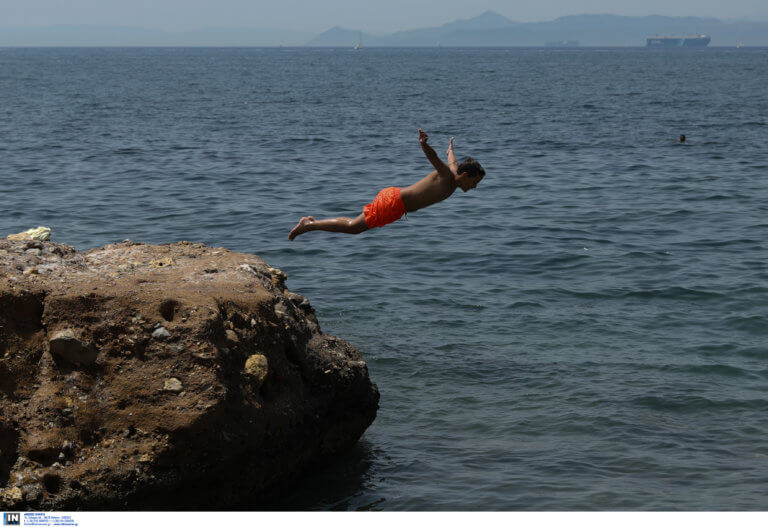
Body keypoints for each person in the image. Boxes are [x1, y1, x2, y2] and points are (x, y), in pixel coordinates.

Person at [289, 129, 485, 240]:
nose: (474, 187)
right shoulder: (447, 178)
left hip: (395, 201)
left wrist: (450, 148)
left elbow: (452, 160)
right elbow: (434, 158)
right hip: (394, 203)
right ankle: (309, 225)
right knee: (353, 227)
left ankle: (311, 224)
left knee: (355, 223)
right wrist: (424, 145)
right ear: (465, 175)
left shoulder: (453, 172)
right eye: (474, 182)